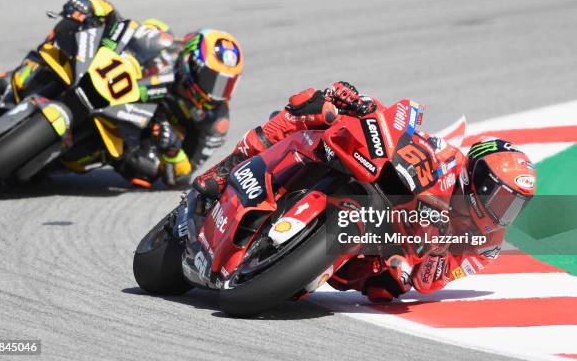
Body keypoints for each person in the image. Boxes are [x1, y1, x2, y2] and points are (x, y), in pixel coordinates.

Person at [193, 81, 536, 301]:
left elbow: (432, 281)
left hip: (392, 246)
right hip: (377, 188)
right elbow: (404, 123)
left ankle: (300, 267)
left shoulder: (485, 246)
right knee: (320, 107)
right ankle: (225, 171)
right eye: (501, 199)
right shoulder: (449, 160)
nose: (502, 212)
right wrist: (363, 105)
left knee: (386, 288)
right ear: (478, 179)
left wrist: (428, 252)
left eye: (513, 206)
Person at [0, 0, 243, 188]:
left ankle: (61, 156)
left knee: (145, 166)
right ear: (191, 62)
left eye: (226, 83)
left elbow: (186, 174)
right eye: (212, 79)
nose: (215, 91)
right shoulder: (167, 45)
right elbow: (123, 26)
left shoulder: (215, 119)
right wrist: (92, 6)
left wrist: (173, 149)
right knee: (80, 18)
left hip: (135, 137)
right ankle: (23, 71)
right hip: (110, 82)